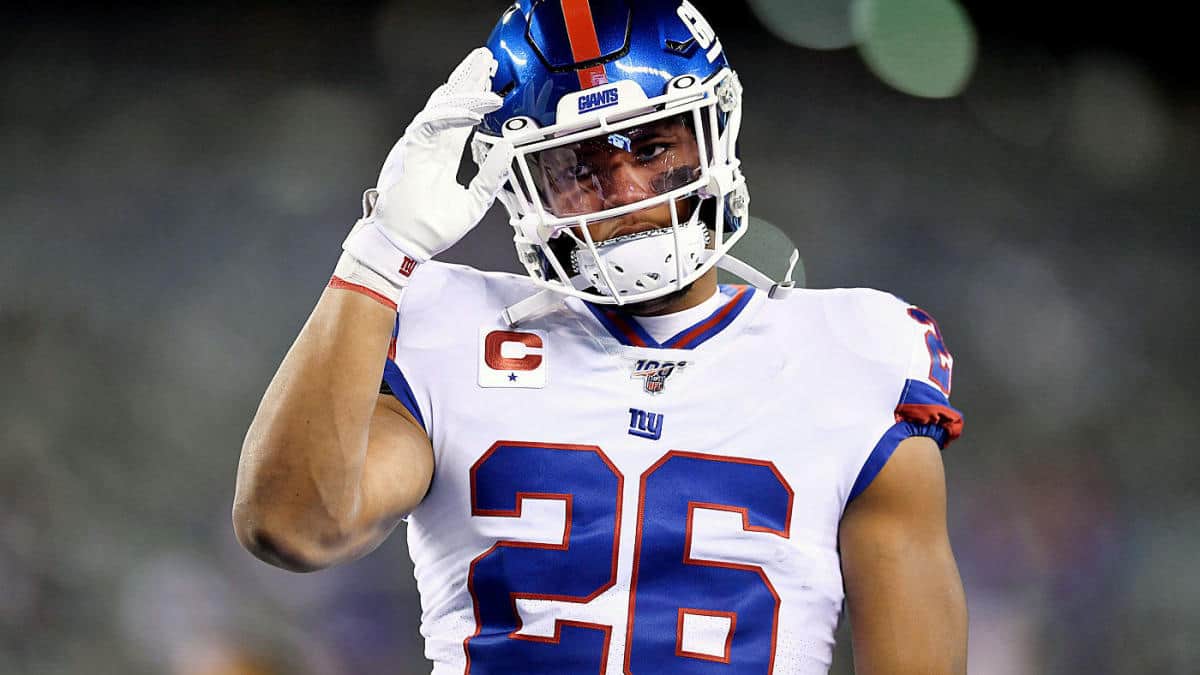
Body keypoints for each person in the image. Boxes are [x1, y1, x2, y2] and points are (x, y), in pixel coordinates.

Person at [232, 1, 968, 673]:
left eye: (650, 149)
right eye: (582, 166)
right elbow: (293, 526)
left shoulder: (856, 353)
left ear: (711, 133)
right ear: (524, 185)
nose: (627, 194)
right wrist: (379, 251)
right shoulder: (451, 328)